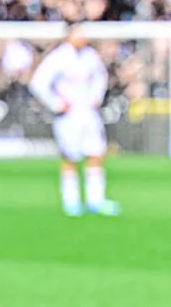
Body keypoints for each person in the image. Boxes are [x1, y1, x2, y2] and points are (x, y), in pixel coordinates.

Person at [29, 22, 121, 217]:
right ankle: (71, 201)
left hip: (89, 113)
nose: (82, 38)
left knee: (96, 153)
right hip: (68, 116)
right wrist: (56, 103)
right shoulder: (58, 58)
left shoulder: (90, 56)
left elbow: (101, 77)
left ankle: (96, 200)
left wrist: (97, 97)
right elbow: (38, 83)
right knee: (70, 157)